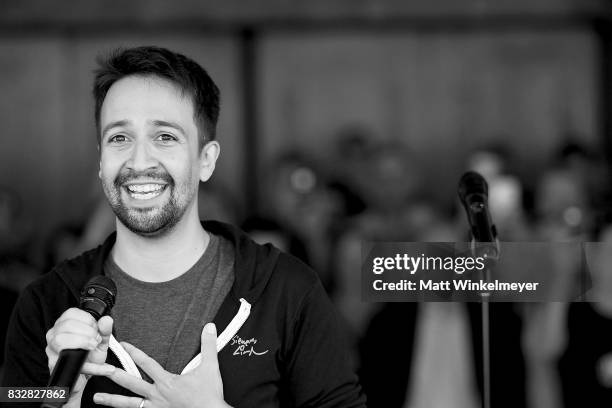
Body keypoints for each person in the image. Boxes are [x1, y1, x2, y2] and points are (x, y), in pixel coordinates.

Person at [2, 46, 366, 408]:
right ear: (101, 161)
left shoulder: (287, 290)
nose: (139, 160)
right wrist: (62, 402)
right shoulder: (44, 302)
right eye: (119, 138)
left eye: (165, 137)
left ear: (205, 160)